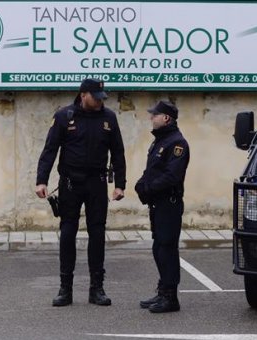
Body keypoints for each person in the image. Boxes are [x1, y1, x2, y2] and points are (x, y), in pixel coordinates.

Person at [35, 78, 126, 307]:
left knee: (97, 235)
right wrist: (41, 180)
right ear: (83, 94)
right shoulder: (64, 116)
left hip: (97, 183)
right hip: (70, 184)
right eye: (95, 97)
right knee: (68, 233)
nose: (99, 101)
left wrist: (120, 185)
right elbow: (50, 149)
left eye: (101, 98)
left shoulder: (109, 118)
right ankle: (65, 289)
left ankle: (97, 289)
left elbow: (118, 152)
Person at [135, 100, 190, 313]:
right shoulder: (160, 141)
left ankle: (171, 297)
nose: (151, 117)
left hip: (169, 203)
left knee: (167, 248)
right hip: (158, 203)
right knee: (159, 247)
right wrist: (141, 184)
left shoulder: (177, 144)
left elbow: (171, 176)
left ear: (166, 118)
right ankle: (163, 290)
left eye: (154, 115)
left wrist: (148, 189)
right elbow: (152, 171)